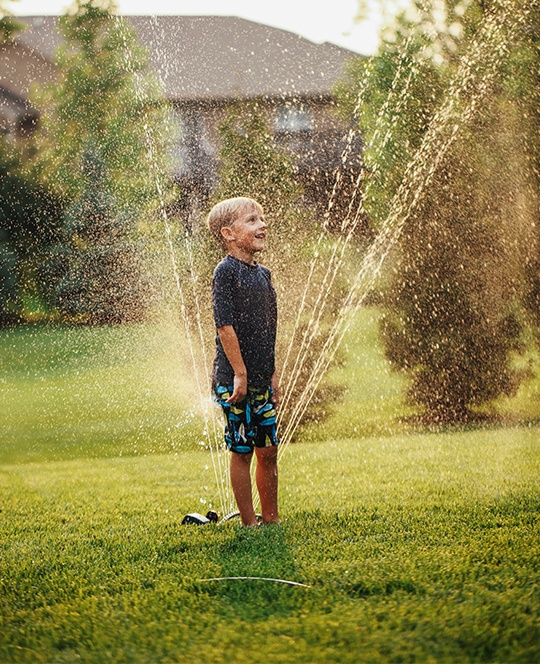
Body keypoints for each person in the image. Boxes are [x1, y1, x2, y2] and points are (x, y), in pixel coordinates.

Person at [207, 196, 280, 527]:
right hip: (234, 381)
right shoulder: (225, 273)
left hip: (262, 380)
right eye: (252, 220)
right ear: (229, 233)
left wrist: (273, 373)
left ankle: (271, 518)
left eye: (261, 219)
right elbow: (224, 327)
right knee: (242, 451)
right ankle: (249, 522)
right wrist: (239, 372)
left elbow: (270, 327)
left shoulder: (264, 276)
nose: (261, 224)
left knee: (268, 451)